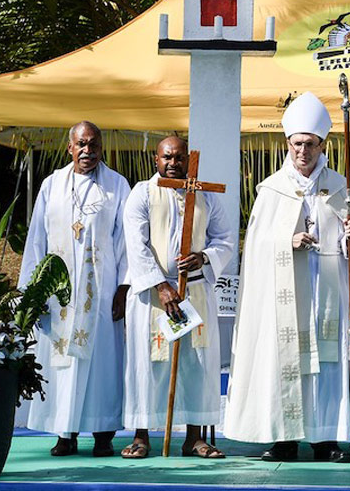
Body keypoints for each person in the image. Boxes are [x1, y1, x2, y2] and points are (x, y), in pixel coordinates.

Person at [225, 92, 350, 462]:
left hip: (325, 292)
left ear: (322, 144)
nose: (303, 151)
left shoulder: (340, 187)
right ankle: (283, 438)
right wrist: (286, 239)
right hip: (286, 293)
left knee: (326, 364)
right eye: (297, 144)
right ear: (287, 144)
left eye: (310, 144)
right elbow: (257, 248)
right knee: (284, 360)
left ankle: (325, 439)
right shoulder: (271, 189)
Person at [121, 136, 236, 459]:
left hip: (195, 289)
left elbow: (225, 238)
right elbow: (136, 244)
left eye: (179, 157)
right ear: (156, 160)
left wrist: (205, 257)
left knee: (196, 364)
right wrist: (161, 285)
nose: (173, 163)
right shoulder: (141, 193)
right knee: (149, 364)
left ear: (189, 159)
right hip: (153, 295)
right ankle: (142, 435)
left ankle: (194, 437)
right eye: (167, 157)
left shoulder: (204, 195)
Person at [19, 121, 130, 457]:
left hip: (101, 291)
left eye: (93, 145)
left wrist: (124, 288)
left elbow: (126, 242)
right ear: (70, 147)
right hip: (59, 295)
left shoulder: (117, 185)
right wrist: (33, 293)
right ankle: (65, 433)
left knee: (101, 363)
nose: (87, 151)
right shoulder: (52, 185)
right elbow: (37, 239)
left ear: (101, 148)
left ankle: (103, 433)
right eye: (81, 144)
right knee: (63, 361)